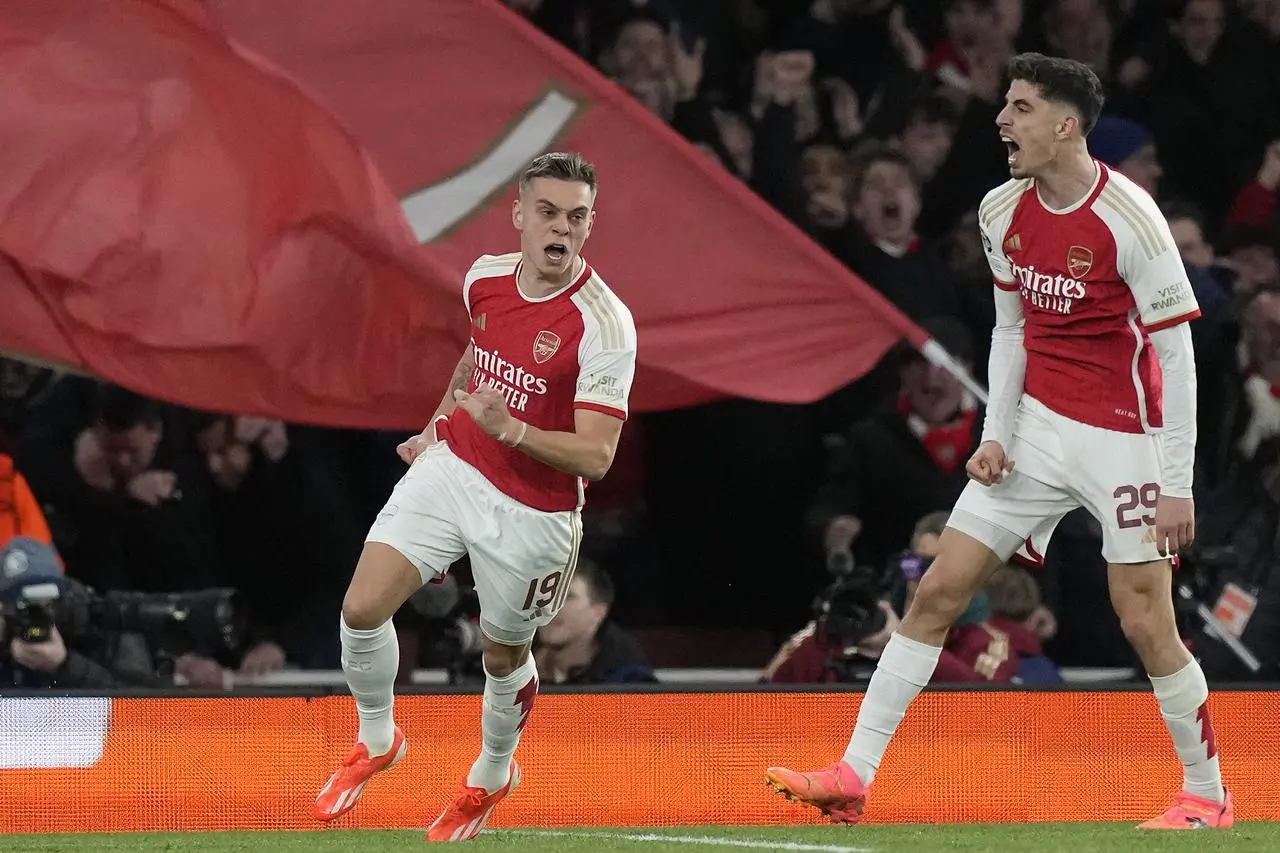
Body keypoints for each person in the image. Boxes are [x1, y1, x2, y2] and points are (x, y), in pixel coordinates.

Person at [765, 53, 1231, 831]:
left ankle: (1207, 794)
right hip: (1037, 430)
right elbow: (1011, 329)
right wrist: (996, 433)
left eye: (1019, 108)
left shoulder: (1132, 218)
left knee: (1145, 619)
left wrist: (1177, 481)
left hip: (1125, 436)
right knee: (937, 589)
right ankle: (853, 774)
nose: (1001, 121)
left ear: (1065, 124)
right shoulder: (998, 211)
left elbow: (1176, 356)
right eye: (1006, 105)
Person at [313, 152, 636, 843]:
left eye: (576, 218)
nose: (561, 230)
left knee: (501, 652)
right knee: (361, 606)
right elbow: (477, 354)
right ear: (518, 215)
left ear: (590, 225)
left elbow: (598, 456)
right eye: (547, 213)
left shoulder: (605, 326)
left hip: (534, 510)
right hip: (456, 463)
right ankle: (378, 738)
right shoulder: (485, 276)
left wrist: (512, 427)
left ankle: (492, 773)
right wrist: (437, 424)